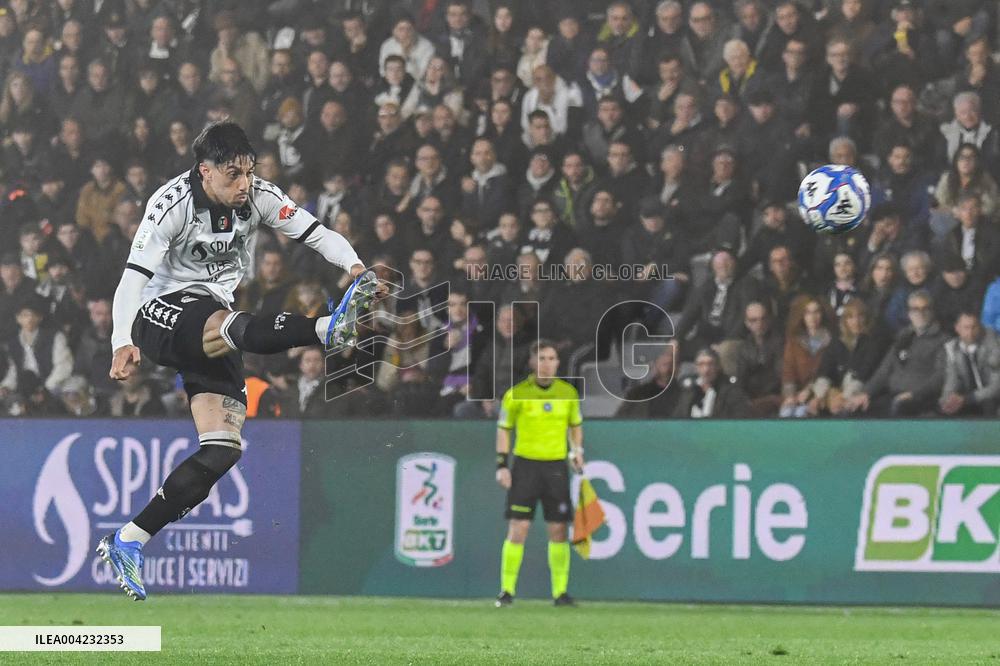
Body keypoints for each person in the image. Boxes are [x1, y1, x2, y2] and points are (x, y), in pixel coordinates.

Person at [98, 121, 383, 601]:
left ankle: (128, 539)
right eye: (234, 174)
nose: (244, 183)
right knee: (227, 324)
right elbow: (132, 278)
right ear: (204, 171)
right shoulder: (170, 205)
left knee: (222, 449)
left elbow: (316, 233)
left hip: (212, 315)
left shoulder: (260, 196)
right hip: (157, 312)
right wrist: (120, 339)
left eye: (249, 172)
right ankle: (324, 330)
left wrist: (353, 265)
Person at [495, 340, 584, 608]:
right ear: (533, 362)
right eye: (542, 358)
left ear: (558, 362)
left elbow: (575, 426)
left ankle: (560, 592)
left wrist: (577, 451)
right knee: (519, 528)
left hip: (556, 467)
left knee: (558, 529)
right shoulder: (516, 394)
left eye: (551, 358)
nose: (547, 364)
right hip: (526, 466)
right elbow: (504, 429)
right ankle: (506, 591)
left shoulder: (568, 393)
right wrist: (502, 464)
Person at [940, 311, 1000, 416]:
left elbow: (996, 386)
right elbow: (951, 380)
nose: (970, 332)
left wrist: (968, 399)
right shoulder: (952, 349)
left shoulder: (994, 346)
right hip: (968, 401)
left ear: (980, 327)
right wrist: (947, 400)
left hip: (993, 400)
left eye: (974, 327)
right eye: (966, 328)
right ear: (957, 328)